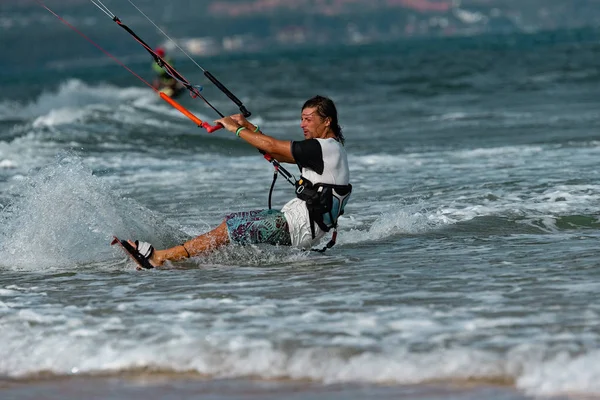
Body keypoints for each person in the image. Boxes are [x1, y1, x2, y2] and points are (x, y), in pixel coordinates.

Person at [126, 95, 352, 268]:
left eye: (309, 120)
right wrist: (249, 128)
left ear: (327, 121)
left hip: (299, 227)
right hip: (302, 225)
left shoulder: (322, 147)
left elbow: (273, 146)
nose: (303, 124)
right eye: (301, 119)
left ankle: (159, 258)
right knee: (232, 223)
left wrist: (236, 129)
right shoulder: (330, 149)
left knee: (230, 229)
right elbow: (277, 153)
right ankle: (190, 259)